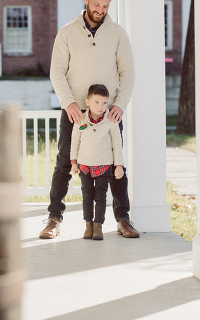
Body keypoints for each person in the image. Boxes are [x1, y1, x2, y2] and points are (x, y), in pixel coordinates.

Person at [39, 0, 140, 239]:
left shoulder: (117, 34)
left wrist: (120, 104)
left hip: (109, 115)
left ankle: (123, 219)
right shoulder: (67, 33)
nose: (100, 10)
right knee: (64, 162)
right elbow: (57, 71)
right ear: (86, 1)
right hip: (75, 113)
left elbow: (128, 72)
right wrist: (68, 102)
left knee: (117, 165)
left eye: (105, 5)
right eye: (96, 4)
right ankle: (54, 219)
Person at [71, 84, 124, 240]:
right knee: (87, 195)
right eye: (96, 102)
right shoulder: (81, 119)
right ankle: (88, 225)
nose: (101, 107)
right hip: (85, 165)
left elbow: (117, 143)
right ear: (88, 102)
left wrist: (118, 165)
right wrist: (74, 162)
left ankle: (98, 226)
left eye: (104, 103)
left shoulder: (110, 120)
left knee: (101, 196)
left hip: (104, 165)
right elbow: (75, 141)